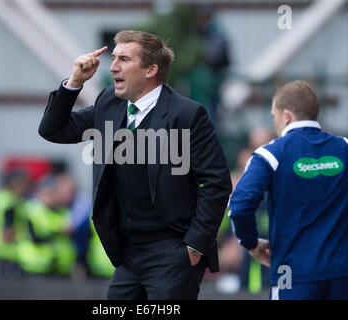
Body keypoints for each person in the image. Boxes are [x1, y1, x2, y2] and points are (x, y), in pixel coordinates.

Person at [38, 30, 232, 299]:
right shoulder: (109, 103)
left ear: (151, 69)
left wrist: (194, 248)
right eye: (114, 58)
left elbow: (216, 184)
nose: (113, 66)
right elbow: (54, 130)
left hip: (173, 253)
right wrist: (74, 82)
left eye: (124, 59)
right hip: (127, 255)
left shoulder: (187, 114)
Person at [229, 80, 348, 300]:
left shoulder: (270, 155)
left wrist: (251, 243)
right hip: (343, 273)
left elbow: (239, 206)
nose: (274, 122)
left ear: (286, 116)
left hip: (291, 274)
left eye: (273, 116)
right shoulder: (344, 147)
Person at [17, 174, 76, 275]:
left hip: (58, 266)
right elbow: (44, 230)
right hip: (36, 264)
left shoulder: (61, 210)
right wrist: (60, 229)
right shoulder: (33, 208)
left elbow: (69, 228)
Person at [0, 170, 30, 277]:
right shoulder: (10, 201)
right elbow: (8, 230)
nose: (26, 187)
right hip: (10, 252)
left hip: (0, 249)